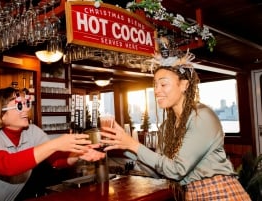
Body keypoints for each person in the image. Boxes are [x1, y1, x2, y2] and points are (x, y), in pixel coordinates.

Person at [100, 52, 251, 200]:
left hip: (220, 193)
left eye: (163, 84)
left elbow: (177, 170)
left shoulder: (201, 117)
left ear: (184, 85)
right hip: (192, 194)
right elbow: (159, 172)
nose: (157, 90)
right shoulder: (166, 127)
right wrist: (124, 145)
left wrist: (133, 145)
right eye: (155, 85)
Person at [0, 87, 105, 201]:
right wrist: (54, 144)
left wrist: (78, 155)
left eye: (27, 104)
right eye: (19, 106)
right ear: (0, 114)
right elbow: (6, 166)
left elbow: (54, 159)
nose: (26, 110)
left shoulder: (32, 131)